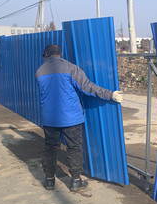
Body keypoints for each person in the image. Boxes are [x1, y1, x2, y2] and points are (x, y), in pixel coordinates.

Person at [35, 44, 123, 192]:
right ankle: (76, 181)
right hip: (71, 119)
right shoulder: (71, 68)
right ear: (60, 54)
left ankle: (49, 180)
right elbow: (87, 87)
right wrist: (110, 95)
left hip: (50, 119)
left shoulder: (40, 71)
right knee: (74, 148)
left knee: (50, 148)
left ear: (46, 55)